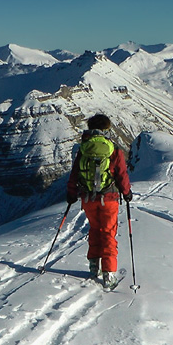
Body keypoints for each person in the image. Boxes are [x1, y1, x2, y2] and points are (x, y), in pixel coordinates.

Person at [66, 114, 132, 287]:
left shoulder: (84, 148)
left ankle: (94, 265)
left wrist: (71, 192)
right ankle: (109, 273)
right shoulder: (113, 149)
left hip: (88, 198)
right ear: (106, 129)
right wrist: (126, 192)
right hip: (108, 198)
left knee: (95, 228)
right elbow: (121, 174)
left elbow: (75, 173)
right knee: (108, 232)